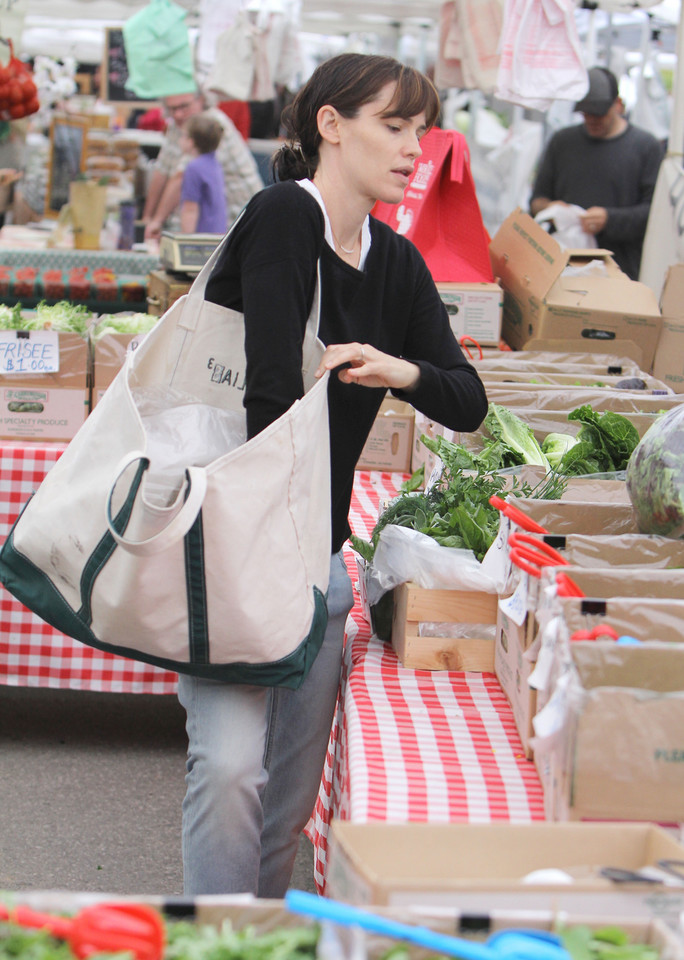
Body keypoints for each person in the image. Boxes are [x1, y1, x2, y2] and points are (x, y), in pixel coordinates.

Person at [176, 51, 489, 899]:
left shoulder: (397, 262)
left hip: (317, 562)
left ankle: (260, 934)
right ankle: (214, 945)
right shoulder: (284, 215)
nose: (412, 149)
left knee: (286, 793)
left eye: (419, 132)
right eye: (394, 126)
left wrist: (402, 369)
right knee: (234, 769)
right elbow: (271, 394)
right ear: (331, 125)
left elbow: (466, 400)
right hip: (239, 547)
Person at [529, 66, 663, 280]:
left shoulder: (646, 147)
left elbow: (655, 214)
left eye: (599, 114)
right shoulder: (562, 142)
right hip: (563, 269)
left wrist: (609, 219)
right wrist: (550, 208)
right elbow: (536, 201)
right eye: (586, 114)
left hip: (621, 272)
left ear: (618, 104)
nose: (592, 120)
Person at [143, 88, 263, 241]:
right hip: (216, 227)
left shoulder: (210, 125)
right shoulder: (181, 125)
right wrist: (147, 218)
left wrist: (157, 222)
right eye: (172, 109)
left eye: (184, 106)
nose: (178, 114)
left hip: (239, 218)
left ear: (201, 100)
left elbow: (182, 187)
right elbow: (162, 169)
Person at [179, 112, 227, 235]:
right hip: (217, 235)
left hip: (201, 238)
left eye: (183, 135)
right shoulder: (214, 164)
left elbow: (190, 208)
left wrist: (186, 240)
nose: (180, 139)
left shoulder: (194, 168)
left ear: (191, 142)